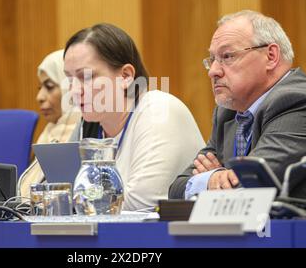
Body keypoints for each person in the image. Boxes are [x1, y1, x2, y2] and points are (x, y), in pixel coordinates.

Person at [169, 10, 306, 208]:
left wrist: (212, 182)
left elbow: (251, 190)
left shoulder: (300, 104)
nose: (214, 71)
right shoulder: (229, 113)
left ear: (271, 56)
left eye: (227, 56)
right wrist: (214, 177)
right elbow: (177, 188)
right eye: (212, 59)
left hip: (304, 237)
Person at [64, 23, 205, 211]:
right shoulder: (89, 125)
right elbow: (61, 195)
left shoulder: (159, 110)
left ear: (126, 76)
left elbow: (141, 204)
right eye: (70, 79)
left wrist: (81, 203)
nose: (74, 91)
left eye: (86, 77)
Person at [18, 50, 81, 198]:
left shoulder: (88, 131)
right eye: (40, 88)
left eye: (50, 86)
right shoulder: (49, 132)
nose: (39, 97)